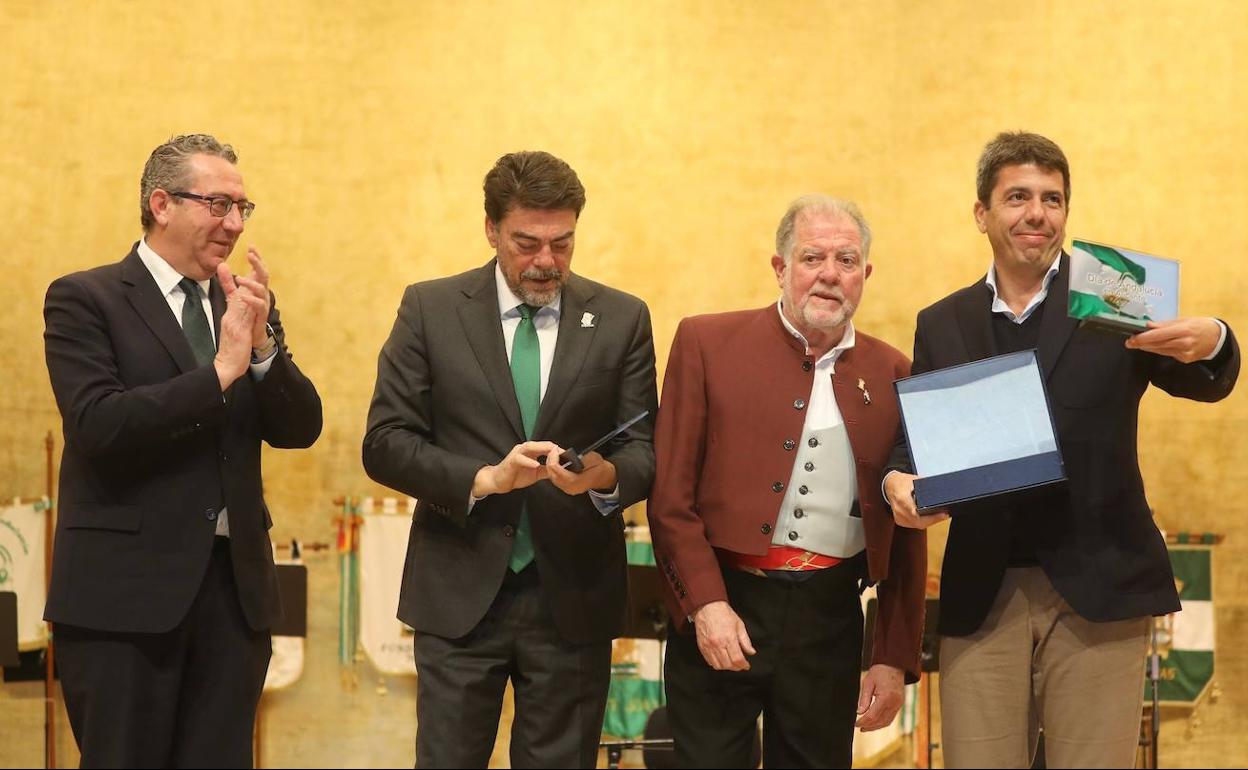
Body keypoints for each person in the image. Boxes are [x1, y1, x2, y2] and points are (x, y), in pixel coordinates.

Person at [884, 131, 1240, 768]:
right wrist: (897, 483)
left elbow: (1202, 379)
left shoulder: (1114, 289)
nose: (1038, 213)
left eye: (1052, 199)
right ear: (981, 213)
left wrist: (1216, 339)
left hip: (1102, 587)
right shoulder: (942, 321)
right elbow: (917, 443)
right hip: (983, 592)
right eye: (1018, 197)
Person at [362, 150, 657, 768]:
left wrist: (603, 479)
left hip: (573, 594)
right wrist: (484, 479)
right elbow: (385, 441)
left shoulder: (622, 318)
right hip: (459, 589)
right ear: (491, 229)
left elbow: (644, 448)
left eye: (562, 243)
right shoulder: (431, 309)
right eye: (527, 243)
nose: (546, 261)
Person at [42, 133, 323, 767]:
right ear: (162, 203)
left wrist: (263, 349)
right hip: (125, 599)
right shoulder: (86, 298)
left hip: (233, 596)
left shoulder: (241, 303)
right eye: (218, 204)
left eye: (242, 208)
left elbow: (300, 428)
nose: (234, 224)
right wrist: (219, 373)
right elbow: (97, 424)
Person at [647, 195, 926, 768]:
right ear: (780, 267)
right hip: (725, 599)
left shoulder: (894, 372)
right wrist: (706, 605)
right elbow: (670, 498)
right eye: (812, 257)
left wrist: (892, 656)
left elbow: (907, 527)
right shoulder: (705, 344)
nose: (830, 275)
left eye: (847, 261)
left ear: (865, 274)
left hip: (831, 617)